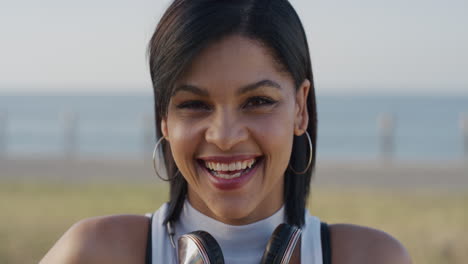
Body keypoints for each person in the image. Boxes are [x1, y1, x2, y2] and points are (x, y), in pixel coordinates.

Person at [40, 0, 412, 263]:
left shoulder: (374, 257)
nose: (224, 136)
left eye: (258, 101)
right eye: (194, 104)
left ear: (300, 108)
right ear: (163, 120)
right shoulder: (94, 253)